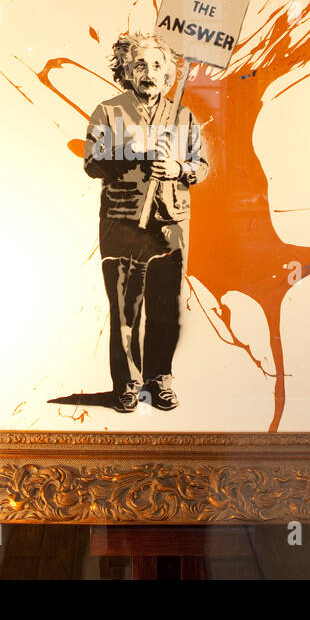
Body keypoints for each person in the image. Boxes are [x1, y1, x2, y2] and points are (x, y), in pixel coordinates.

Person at [84, 31, 210, 413]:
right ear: (125, 69)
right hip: (122, 223)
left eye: (157, 65)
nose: (149, 72)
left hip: (169, 224)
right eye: (140, 64)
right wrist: (135, 153)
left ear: (170, 73)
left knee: (166, 306)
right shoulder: (108, 111)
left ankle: (160, 379)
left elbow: (201, 167)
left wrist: (178, 167)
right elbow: (92, 163)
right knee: (125, 308)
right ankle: (127, 383)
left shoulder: (183, 115)